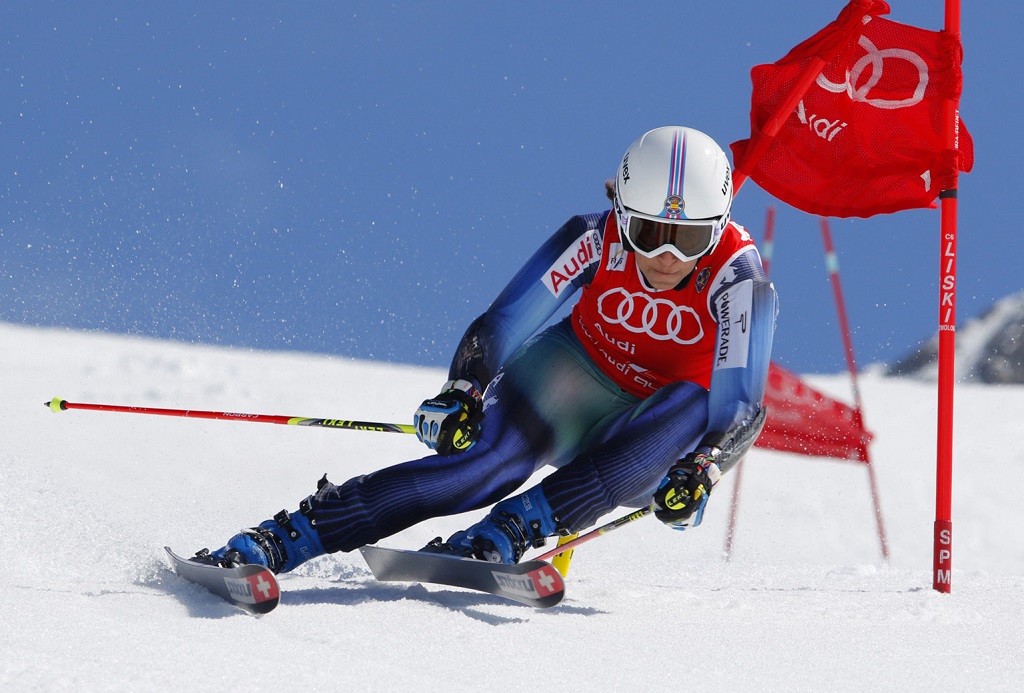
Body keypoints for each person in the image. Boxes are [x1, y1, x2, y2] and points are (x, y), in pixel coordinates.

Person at [193, 125, 778, 572]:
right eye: (650, 232)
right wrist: (465, 389)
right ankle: (288, 538)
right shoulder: (594, 237)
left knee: (690, 408)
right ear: (622, 212)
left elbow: (740, 407)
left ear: (719, 224)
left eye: (691, 237)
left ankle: (508, 532)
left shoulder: (738, 279)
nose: (668, 257)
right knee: (477, 467)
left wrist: (705, 466)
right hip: (574, 378)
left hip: (655, 428)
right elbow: (505, 321)